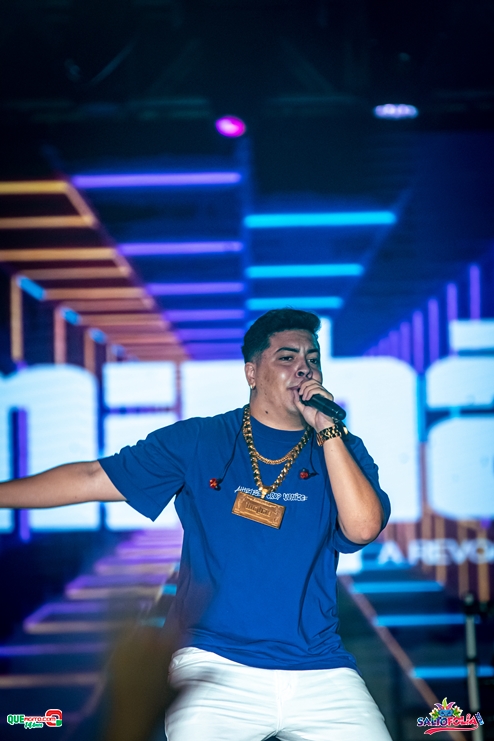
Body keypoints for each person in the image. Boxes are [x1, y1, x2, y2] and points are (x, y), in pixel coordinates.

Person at [0, 309, 392, 741]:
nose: (304, 368)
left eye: (312, 359)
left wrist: (328, 430)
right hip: (212, 666)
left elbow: (362, 528)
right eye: (287, 357)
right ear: (251, 373)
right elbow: (92, 477)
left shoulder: (341, 449)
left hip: (319, 666)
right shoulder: (200, 440)